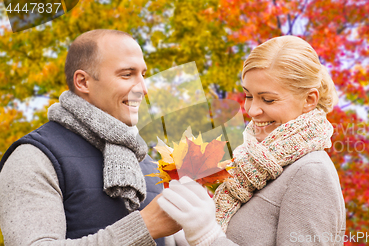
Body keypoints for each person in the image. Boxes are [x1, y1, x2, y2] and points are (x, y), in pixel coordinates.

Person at [157, 35, 346, 245]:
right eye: (248, 96)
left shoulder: (311, 172)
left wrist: (208, 237)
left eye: (268, 99)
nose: (252, 110)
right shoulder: (249, 166)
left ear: (309, 100)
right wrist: (179, 233)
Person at [0, 29, 180, 245]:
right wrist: (145, 227)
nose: (143, 88)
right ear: (83, 82)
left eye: (143, 74)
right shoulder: (34, 157)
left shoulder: (148, 164)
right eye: (126, 74)